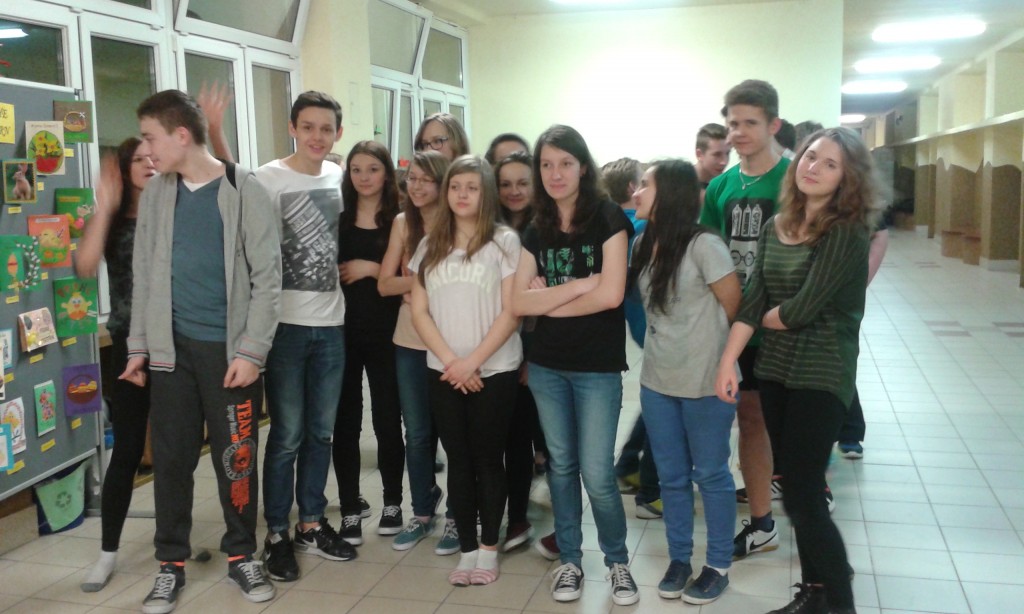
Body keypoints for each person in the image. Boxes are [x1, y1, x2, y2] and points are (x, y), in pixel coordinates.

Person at [122, 89, 281, 612]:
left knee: (236, 460)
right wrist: (138, 347)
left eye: (151, 138)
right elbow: (144, 274)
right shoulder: (158, 193)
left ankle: (242, 555)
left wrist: (252, 352)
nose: (146, 150)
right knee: (171, 462)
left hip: (230, 356)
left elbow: (268, 279)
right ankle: (170, 564)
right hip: (172, 355)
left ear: (181, 135)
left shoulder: (244, 188)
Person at [716, 127, 878, 614]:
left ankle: (839, 601)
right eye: (811, 156)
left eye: (830, 164)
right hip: (777, 369)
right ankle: (815, 593)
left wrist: (769, 317)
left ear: (847, 178)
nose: (814, 168)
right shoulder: (776, 225)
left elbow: (799, 310)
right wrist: (728, 361)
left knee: (804, 494)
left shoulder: (846, 232)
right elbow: (754, 299)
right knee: (794, 489)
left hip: (822, 372)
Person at [512, 125, 638, 607]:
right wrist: (581, 284)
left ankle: (617, 562)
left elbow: (612, 295)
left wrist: (549, 299)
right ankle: (570, 559)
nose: (555, 173)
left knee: (598, 473)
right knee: (561, 466)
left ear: (583, 167)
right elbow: (518, 301)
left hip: (596, 368)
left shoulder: (608, 217)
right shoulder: (536, 227)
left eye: (565, 163)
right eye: (546, 165)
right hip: (547, 366)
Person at [256, 91, 356, 584]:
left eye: (327, 129)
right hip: (285, 328)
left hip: (332, 325)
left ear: (338, 133)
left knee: (321, 432)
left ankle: (311, 524)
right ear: (293, 127)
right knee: (287, 435)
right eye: (309, 127)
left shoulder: (339, 177)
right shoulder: (266, 178)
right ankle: (276, 532)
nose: (318, 136)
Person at [631, 159, 741, 605]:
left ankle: (718, 565)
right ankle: (680, 559)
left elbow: (736, 309)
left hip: (706, 381)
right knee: (671, 476)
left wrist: (726, 363)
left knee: (710, 474)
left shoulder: (705, 246)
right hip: (658, 380)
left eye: (645, 185)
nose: (636, 192)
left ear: (670, 194)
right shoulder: (642, 243)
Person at [409, 154, 522, 586]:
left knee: (489, 461)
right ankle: (468, 549)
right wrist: (452, 363)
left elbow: (511, 311)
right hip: (443, 371)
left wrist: (472, 362)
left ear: (486, 193)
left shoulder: (504, 242)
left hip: (494, 370)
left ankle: (489, 550)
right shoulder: (429, 246)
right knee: (458, 461)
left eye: (472, 187)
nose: (462, 194)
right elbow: (419, 312)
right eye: (455, 187)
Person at [698, 79, 790, 561]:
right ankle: (761, 522)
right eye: (733, 123)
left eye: (750, 122)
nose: (738, 132)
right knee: (746, 417)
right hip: (733, 323)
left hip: (781, 323)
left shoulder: (794, 179)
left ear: (773, 125)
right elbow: (710, 257)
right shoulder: (720, 186)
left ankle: (802, 500)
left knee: (786, 421)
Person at [78, 138, 157, 593]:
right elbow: (85, 265)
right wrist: (104, 208)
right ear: (123, 169)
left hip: (176, 341)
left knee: (176, 447)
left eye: (153, 157)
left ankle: (175, 539)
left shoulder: (172, 210)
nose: (149, 164)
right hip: (129, 342)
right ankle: (108, 551)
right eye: (138, 159)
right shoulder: (112, 219)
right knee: (127, 449)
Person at [378, 151, 458, 554]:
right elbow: (384, 284)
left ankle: (459, 515)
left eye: (427, 179)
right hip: (409, 342)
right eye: (412, 179)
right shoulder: (401, 223)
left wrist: (416, 285)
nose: (418, 186)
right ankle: (422, 512)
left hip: (453, 341)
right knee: (418, 432)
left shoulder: (458, 224)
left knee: (455, 432)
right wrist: (423, 284)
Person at [333, 140, 404, 545]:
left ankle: (393, 502)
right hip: (342, 332)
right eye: (356, 169)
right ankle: (349, 507)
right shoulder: (338, 217)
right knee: (346, 422)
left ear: (386, 173)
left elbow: (414, 275)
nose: (364, 177)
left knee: (387, 419)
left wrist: (370, 268)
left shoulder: (400, 219)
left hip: (388, 331)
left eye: (373, 169)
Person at [602, 157, 662, 520]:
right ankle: (651, 487)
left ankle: (627, 464)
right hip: (652, 324)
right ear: (631, 188)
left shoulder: (615, 224)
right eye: (641, 182)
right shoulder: (641, 226)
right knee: (664, 400)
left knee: (657, 397)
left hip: (639, 323)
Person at [494, 151, 543, 551]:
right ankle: (492, 512)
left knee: (522, 437)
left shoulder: (543, 230)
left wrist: (531, 357)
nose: (514, 191)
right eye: (505, 184)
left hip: (532, 346)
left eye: (522, 183)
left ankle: (518, 517)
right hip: (491, 344)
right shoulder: (486, 229)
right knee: (496, 436)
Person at [836, 223, 888, 458]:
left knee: (839, 358)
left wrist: (860, 279)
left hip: (840, 288)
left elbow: (879, 231)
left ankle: (850, 429)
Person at [694, 123, 730, 199]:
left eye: (727, 153)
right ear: (699, 154)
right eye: (717, 155)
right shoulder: (680, 183)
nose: (724, 162)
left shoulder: (727, 186)